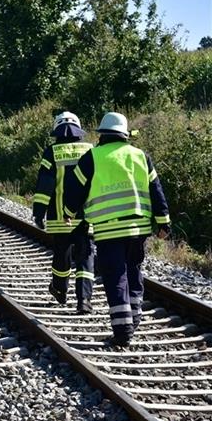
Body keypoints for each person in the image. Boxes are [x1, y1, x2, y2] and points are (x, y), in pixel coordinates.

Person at [64, 112, 171, 346]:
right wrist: (163, 222)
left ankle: (123, 332)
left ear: (102, 134)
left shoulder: (93, 157)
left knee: (116, 277)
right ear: (124, 134)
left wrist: (68, 213)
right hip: (138, 229)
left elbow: (75, 189)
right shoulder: (140, 156)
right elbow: (156, 190)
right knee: (133, 270)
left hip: (109, 230)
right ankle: (134, 316)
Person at [33, 111, 95, 314]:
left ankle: (60, 290)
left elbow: (45, 185)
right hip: (87, 216)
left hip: (60, 218)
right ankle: (84, 300)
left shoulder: (52, 152)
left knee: (62, 256)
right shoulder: (90, 150)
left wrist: (39, 212)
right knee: (85, 257)